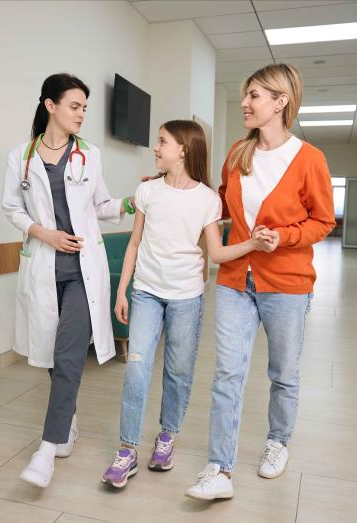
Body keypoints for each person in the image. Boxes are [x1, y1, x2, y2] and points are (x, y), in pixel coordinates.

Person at [186, 64, 336, 501]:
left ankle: (278, 441)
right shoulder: (238, 152)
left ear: (281, 101)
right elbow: (220, 199)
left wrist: (283, 237)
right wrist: (175, 188)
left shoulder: (309, 159)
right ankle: (218, 468)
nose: (245, 103)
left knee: (283, 373)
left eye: (254, 95)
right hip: (235, 279)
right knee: (228, 374)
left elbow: (323, 220)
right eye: (245, 95)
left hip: (287, 283)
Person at [101, 120, 271, 489]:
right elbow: (134, 244)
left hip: (186, 298)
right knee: (136, 369)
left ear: (183, 149)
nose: (156, 148)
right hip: (146, 292)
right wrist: (122, 290)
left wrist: (253, 245)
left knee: (178, 372)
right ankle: (127, 449)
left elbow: (217, 252)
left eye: (162, 142)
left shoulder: (208, 200)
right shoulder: (147, 191)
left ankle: (166, 437)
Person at [2, 73, 136, 488]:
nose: (81, 114)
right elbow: (11, 207)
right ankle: (69, 418)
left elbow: (100, 203)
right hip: (43, 268)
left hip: (82, 272)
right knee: (50, 352)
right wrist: (44, 233)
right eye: (75, 106)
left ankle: (47, 449)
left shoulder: (89, 154)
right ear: (50, 106)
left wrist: (134, 201)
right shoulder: (21, 157)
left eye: (84, 108)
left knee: (69, 352)